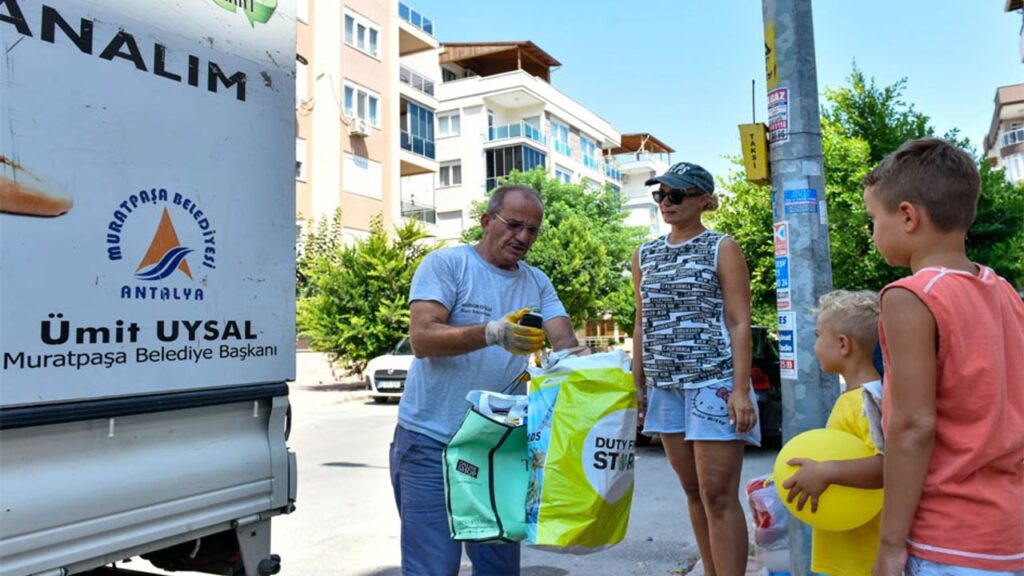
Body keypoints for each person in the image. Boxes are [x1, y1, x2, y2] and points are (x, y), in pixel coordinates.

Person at [390, 184, 579, 576]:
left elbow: (564, 342)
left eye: (532, 230)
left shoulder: (537, 282)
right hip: (432, 443)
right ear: (487, 221)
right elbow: (422, 339)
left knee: (499, 569)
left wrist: (592, 369)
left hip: (500, 449)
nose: (523, 238)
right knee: (432, 568)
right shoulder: (447, 265)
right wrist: (492, 333)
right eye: (513, 225)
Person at [862, 138, 1024, 576]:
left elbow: (913, 426)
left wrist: (892, 546)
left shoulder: (910, 297)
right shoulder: (1005, 292)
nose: (873, 232)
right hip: (1008, 533)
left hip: (945, 541)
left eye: (873, 219)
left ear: (908, 216)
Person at [631, 162, 759, 576]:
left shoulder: (722, 246)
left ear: (703, 200)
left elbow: (740, 321)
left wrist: (740, 389)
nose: (666, 202)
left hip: (715, 382)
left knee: (718, 493)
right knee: (692, 491)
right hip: (665, 385)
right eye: (660, 195)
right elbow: (641, 319)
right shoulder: (644, 254)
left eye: (676, 195)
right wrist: (638, 385)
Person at [783, 289, 884, 576]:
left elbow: (889, 466)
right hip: (849, 551)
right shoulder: (858, 398)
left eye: (818, 335)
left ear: (843, 344)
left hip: (863, 557)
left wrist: (825, 473)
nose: (814, 345)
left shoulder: (867, 402)